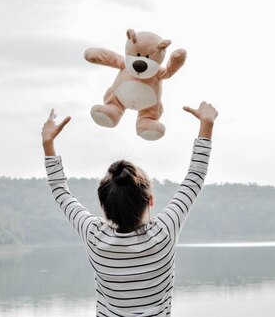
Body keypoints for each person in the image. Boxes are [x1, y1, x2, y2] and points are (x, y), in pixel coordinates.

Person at [41, 101, 218, 317]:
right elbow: (195, 177)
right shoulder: (163, 232)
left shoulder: (95, 237)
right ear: (150, 200)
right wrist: (206, 124)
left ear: (103, 206)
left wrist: (48, 144)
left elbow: (60, 191)